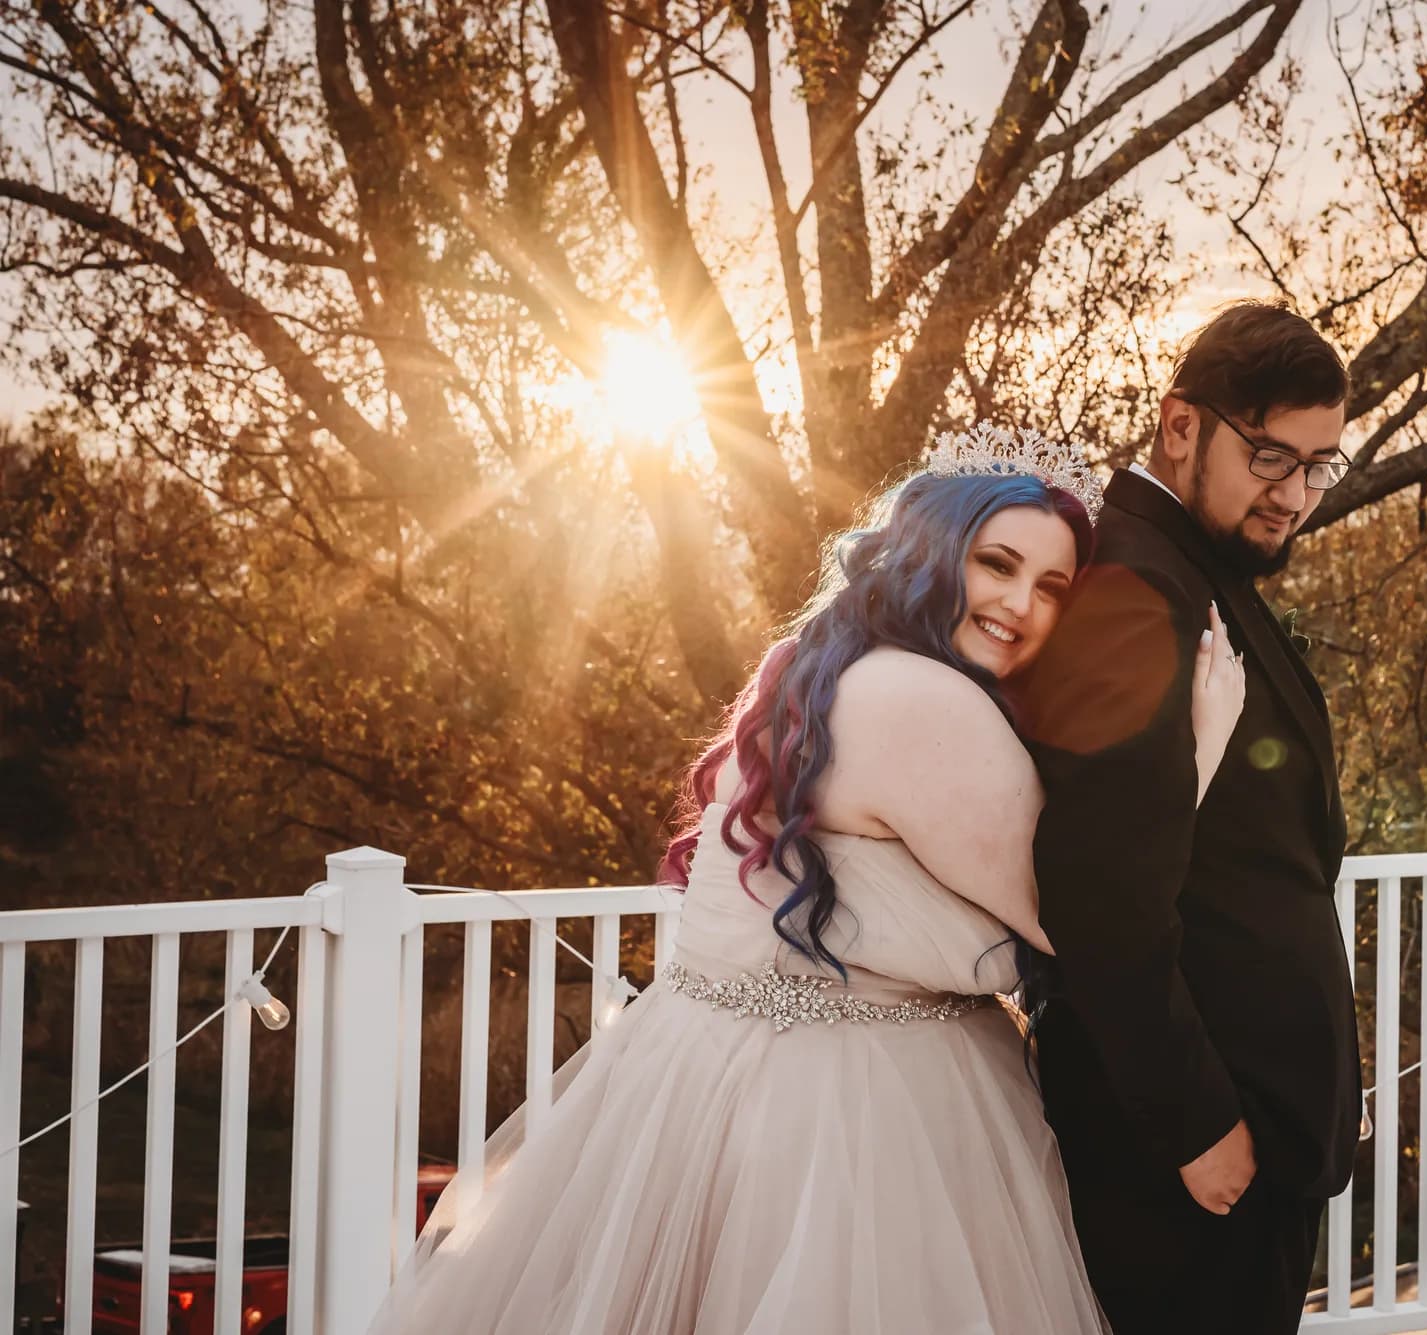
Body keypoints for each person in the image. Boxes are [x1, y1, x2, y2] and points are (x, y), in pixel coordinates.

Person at [366, 424, 1247, 1335]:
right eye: (997, 564)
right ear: (932, 555)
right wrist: (1198, 751)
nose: (1021, 604)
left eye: (1052, 587)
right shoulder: (922, 699)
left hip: (701, 1073)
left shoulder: (814, 669)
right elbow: (1088, 913)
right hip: (857, 1113)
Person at [1020, 302, 1365, 1334]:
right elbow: (1101, 896)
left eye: (1318, 465)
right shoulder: (1134, 586)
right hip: (1186, 1150)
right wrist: (1195, 1122)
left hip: (1249, 1124)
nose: (1294, 493)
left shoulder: (1194, 568)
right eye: (1269, 456)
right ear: (1180, 428)